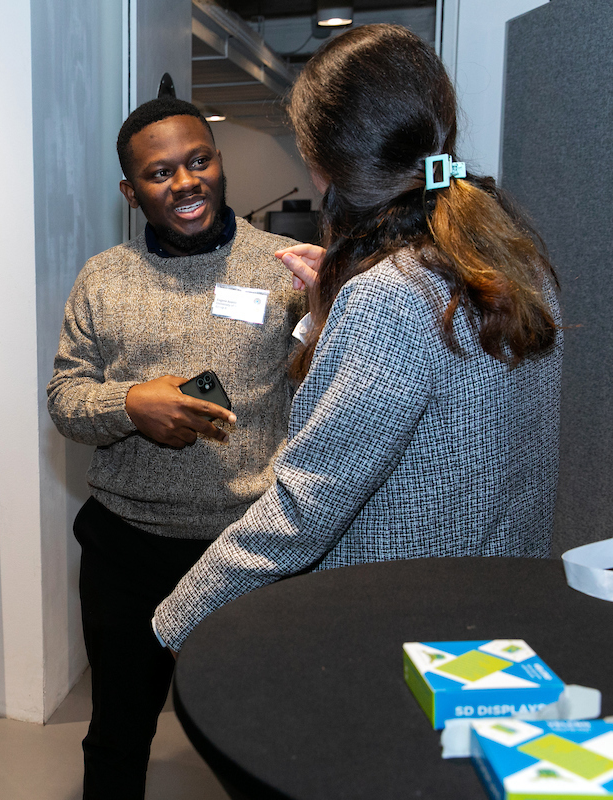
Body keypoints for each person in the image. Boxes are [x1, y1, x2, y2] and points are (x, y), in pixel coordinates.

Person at [154, 24, 562, 651]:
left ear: (324, 167)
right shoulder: (513, 259)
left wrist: (174, 617)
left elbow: (304, 505)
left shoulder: (387, 296)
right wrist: (335, 308)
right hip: (499, 605)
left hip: (403, 629)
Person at [47, 96, 307, 799]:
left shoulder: (284, 270)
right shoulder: (103, 278)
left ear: (218, 163)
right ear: (131, 192)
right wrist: (131, 405)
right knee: (117, 735)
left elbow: (322, 395)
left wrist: (331, 305)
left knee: (260, 736)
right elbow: (65, 399)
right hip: (127, 549)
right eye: (159, 173)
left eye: (199, 161)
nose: (186, 182)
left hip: (249, 550)